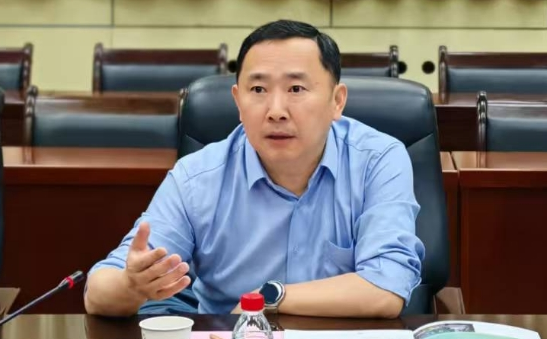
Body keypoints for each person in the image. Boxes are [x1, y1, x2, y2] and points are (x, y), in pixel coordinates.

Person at [84, 19, 425, 318]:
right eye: (258, 89)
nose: (276, 110)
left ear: (337, 101)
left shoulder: (378, 160)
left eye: (296, 89)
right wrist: (131, 284)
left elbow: (387, 288)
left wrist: (268, 298)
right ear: (238, 101)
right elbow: (97, 294)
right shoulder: (196, 178)